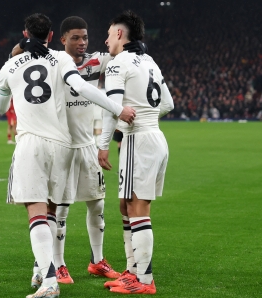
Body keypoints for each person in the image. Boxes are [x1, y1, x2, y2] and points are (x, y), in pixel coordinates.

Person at [0, 13, 136, 298]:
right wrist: (116, 107)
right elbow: (83, 85)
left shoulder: (10, 65)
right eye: (76, 37)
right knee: (53, 209)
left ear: (25, 34)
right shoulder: (60, 59)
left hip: (46, 143)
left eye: (85, 37)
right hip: (61, 144)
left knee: (41, 210)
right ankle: (49, 267)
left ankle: (50, 277)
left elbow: (0, 108)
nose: (82, 42)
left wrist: (16, 51)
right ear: (53, 37)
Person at [98, 11, 174, 294]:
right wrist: (147, 117)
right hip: (154, 137)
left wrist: (104, 144)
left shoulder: (119, 63)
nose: (105, 40)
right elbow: (167, 103)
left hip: (138, 141)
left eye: (108, 34)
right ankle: (132, 272)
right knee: (126, 205)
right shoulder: (149, 61)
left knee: (137, 207)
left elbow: (112, 107)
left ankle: (144, 280)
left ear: (119, 33)